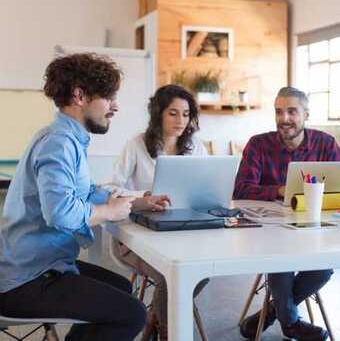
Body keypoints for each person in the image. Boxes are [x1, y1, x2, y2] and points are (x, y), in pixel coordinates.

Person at [0, 53, 146, 341]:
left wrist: (136, 201)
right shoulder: (59, 142)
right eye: (108, 96)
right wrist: (109, 212)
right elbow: (60, 213)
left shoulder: (67, 138)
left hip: (43, 264)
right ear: (80, 95)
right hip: (25, 279)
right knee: (133, 314)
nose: (114, 106)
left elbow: (88, 191)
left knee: (121, 288)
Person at [235, 87, 340, 341]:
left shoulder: (325, 143)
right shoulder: (259, 144)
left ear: (306, 114)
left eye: (292, 111)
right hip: (269, 232)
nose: (284, 118)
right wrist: (281, 190)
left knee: (324, 268)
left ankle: (273, 311)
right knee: (280, 260)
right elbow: (240, 189)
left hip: (312, 229)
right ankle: (292, 323)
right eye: (279, 112)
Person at [109, 83, 208, 341]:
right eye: (173, 113)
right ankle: (168, 332)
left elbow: (206, 187)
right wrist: (144, 197)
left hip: (183, 231)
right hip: (137, 232)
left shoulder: (195, 147)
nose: (181, 120)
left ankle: (155, 315)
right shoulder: (137, 144)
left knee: (204, 269)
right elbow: (111, 189)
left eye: (186, 114)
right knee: (170, 274)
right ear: (159, 114)